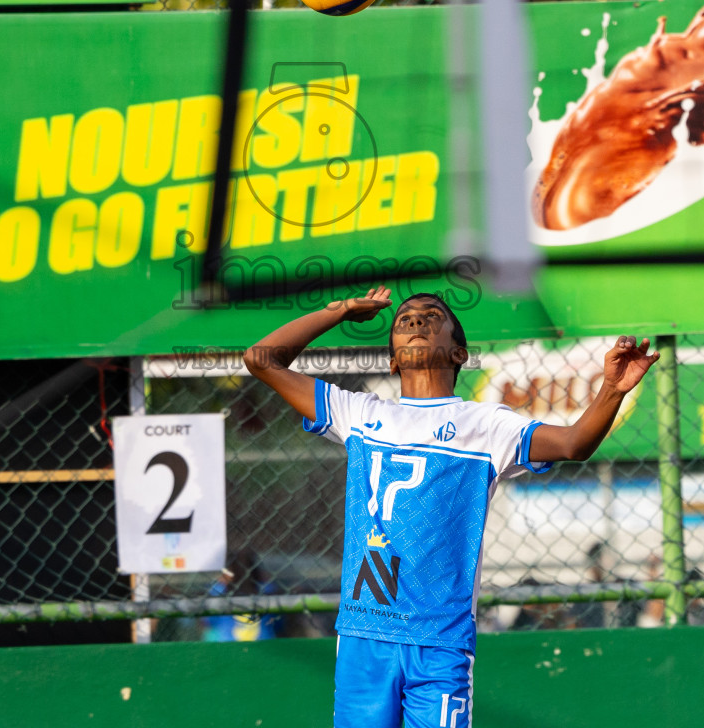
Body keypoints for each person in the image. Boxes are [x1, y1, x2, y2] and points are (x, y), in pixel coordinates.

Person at [244, 288, 657, 728]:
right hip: (366, 635)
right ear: (392, 361)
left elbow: (575, 443)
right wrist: (340, 311)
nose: (416, 322)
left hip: (440, 642)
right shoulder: (358, 413)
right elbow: (261, 360)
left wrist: (612, 389)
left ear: (458, 352)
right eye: (404, 320)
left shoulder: (488, 426)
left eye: (432, 317)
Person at [202, 549, 284, 642]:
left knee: (211, 634)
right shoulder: (266, 589)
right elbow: (278, 623)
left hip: (228, 643)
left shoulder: (218, 590)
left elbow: (209, 623)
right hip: (262, 642)